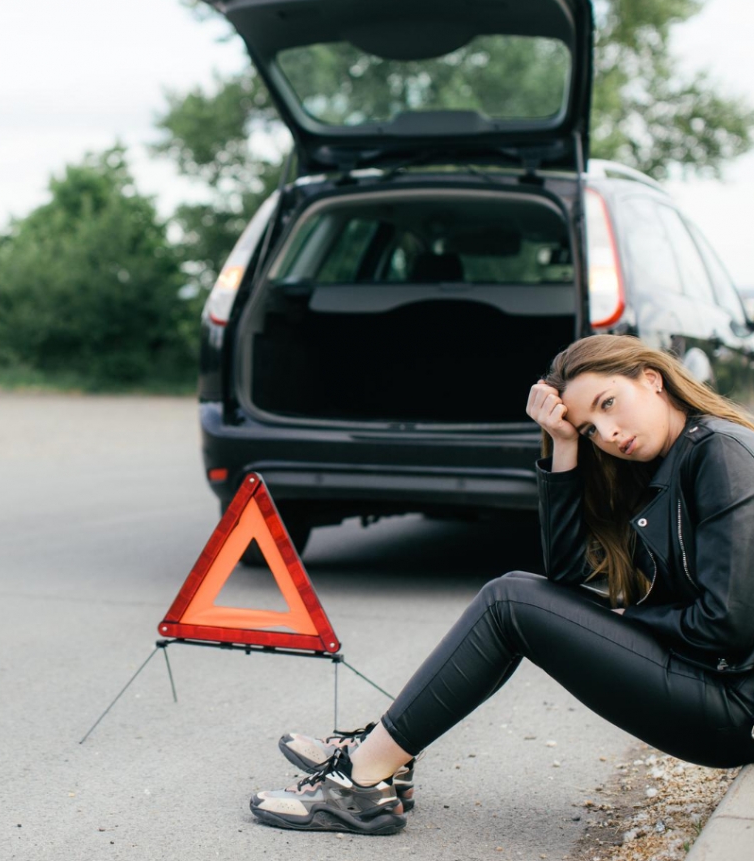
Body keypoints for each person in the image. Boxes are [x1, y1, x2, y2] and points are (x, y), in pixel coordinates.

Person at [249, 334, 754, 835]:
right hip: (712, 681)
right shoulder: (662, 461)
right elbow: (568, 577)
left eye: (608, 404)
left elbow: (724, 625)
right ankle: (376, 758)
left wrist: (629, 618)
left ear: (652, 379)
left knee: (508, 600)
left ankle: (359, 781)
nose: (609, 433)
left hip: (735, 707)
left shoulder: (721, 454)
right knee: (513, 597)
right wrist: (563, 443)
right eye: (591, 429)